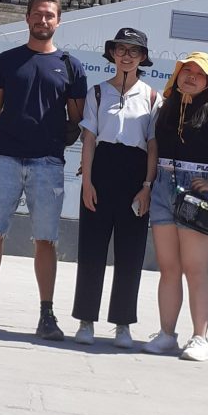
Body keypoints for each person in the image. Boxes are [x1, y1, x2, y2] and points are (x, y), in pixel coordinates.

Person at [0, 0, 86, 340]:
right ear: (27, 18)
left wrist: (52, 140)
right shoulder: (7, 60)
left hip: (48, 163)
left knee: (46, 239)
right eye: (37, 14)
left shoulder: (70, 66)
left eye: (49, 15)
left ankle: (47, 315)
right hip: (5, 159)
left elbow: (76, 117)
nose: (42, 20)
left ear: (58, 21)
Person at [142, 52, 208, 359]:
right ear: (176, 75)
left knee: (195, 269)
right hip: (164, 185)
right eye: (186, 70)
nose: (191, 76)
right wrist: (148, 186)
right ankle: (166, 334)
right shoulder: (164, 109)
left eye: (198, 73)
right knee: (168, 267)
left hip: (197, 189)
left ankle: (200, 338)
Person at [72, 28, 160, 350]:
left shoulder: (152, 97)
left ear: (142, 58)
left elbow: (152, 145)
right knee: (91, 249)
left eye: (133, 51)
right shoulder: (97, 93)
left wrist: (147, 185)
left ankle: (123, 323)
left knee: (130, 252)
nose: (126, 56)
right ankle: (85, 319)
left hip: (134, 174)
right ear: (112, 54)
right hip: (102, 170)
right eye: (121, 49)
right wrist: (87, 182)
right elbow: (89, 139)